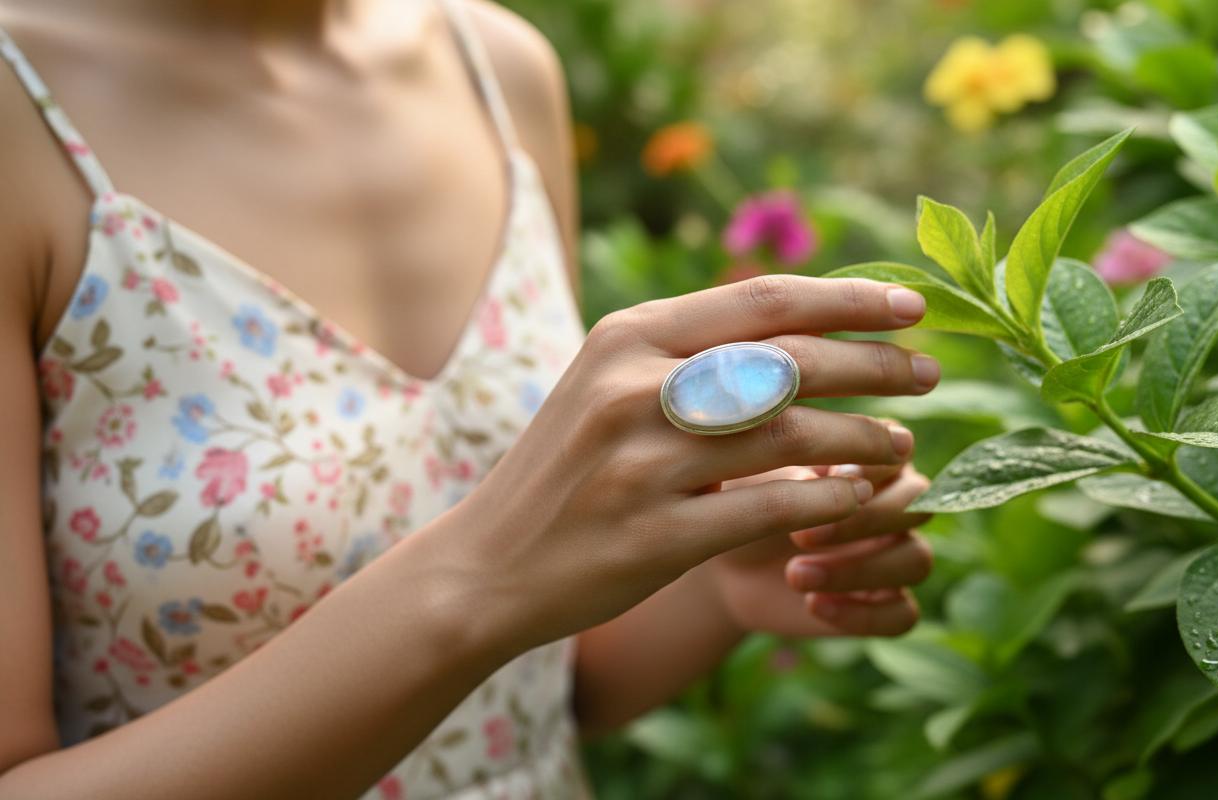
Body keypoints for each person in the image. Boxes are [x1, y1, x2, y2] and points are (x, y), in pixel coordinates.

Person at [0, 0, 938, 797]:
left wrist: (723, 576)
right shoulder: (21, 117)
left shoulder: (495, 68)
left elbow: (535, 693)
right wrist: (477, 581)